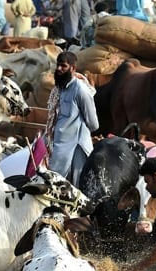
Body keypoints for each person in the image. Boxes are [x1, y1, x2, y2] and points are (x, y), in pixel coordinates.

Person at [45, 51, 99, 185]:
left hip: (76, 148)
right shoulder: (60, 89)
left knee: (75, 188)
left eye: (63, 66)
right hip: (59, 147)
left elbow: (93, 124)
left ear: (73, 69)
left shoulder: (80, 90)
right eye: (58, 65)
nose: (59, 69)